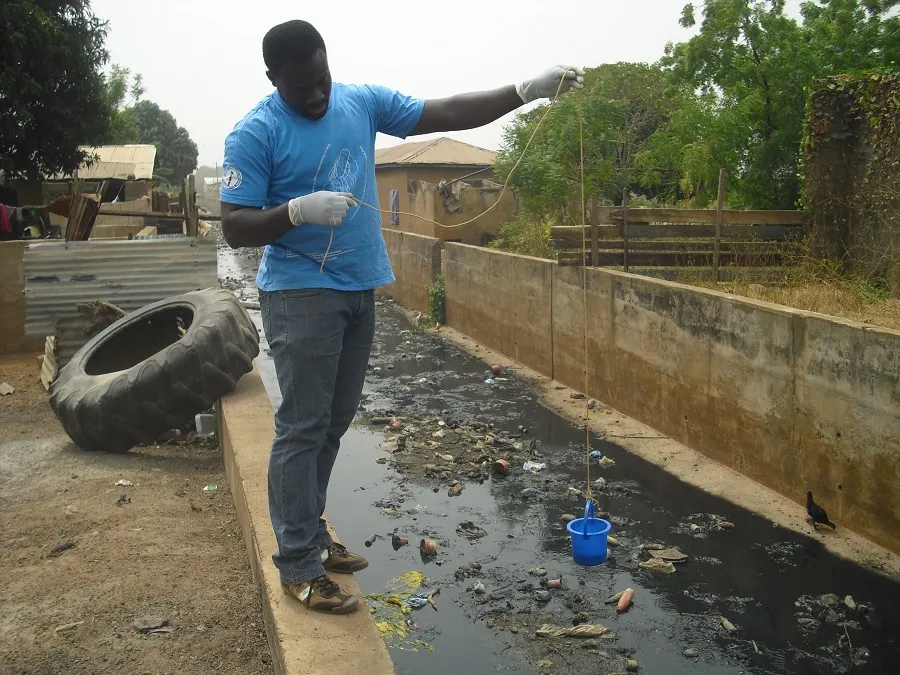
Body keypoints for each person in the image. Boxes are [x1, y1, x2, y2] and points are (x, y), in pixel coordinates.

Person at [220, 19, 583, 615]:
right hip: (301, 295)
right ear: (272, 79)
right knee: (302, 428)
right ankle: (299, 564)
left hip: (359, 288)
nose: (316, 96)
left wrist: (524, 91)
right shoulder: (256, 132)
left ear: (328, 62)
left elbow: (447, 111)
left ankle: (312, 533)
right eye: (300, 88)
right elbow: (235, 225)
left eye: (322, 80)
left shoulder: (360, 102)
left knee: (333, 424)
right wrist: (295, 211)